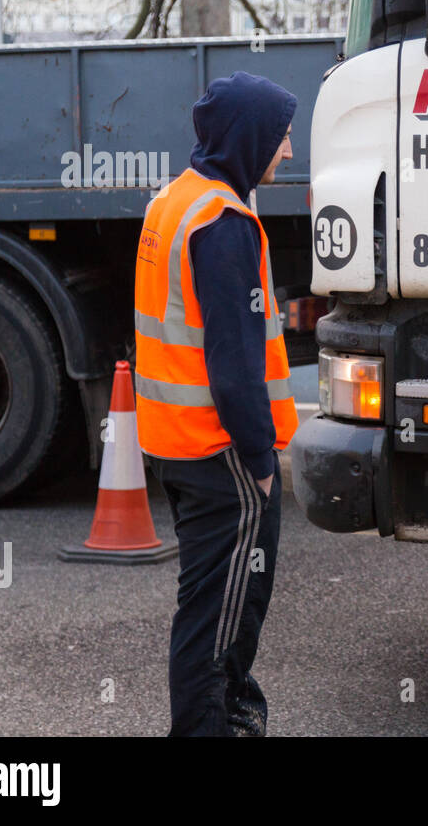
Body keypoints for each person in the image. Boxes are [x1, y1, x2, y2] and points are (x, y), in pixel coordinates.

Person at [133, 71, 300, 736]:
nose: (287, 151)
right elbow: (234, 365)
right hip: (221, 451)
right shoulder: (224, 224)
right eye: (281, 137)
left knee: (206, 609)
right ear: (249, 137)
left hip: (178, 443)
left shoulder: (175, 201)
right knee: (222, 621)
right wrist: (260, 459)